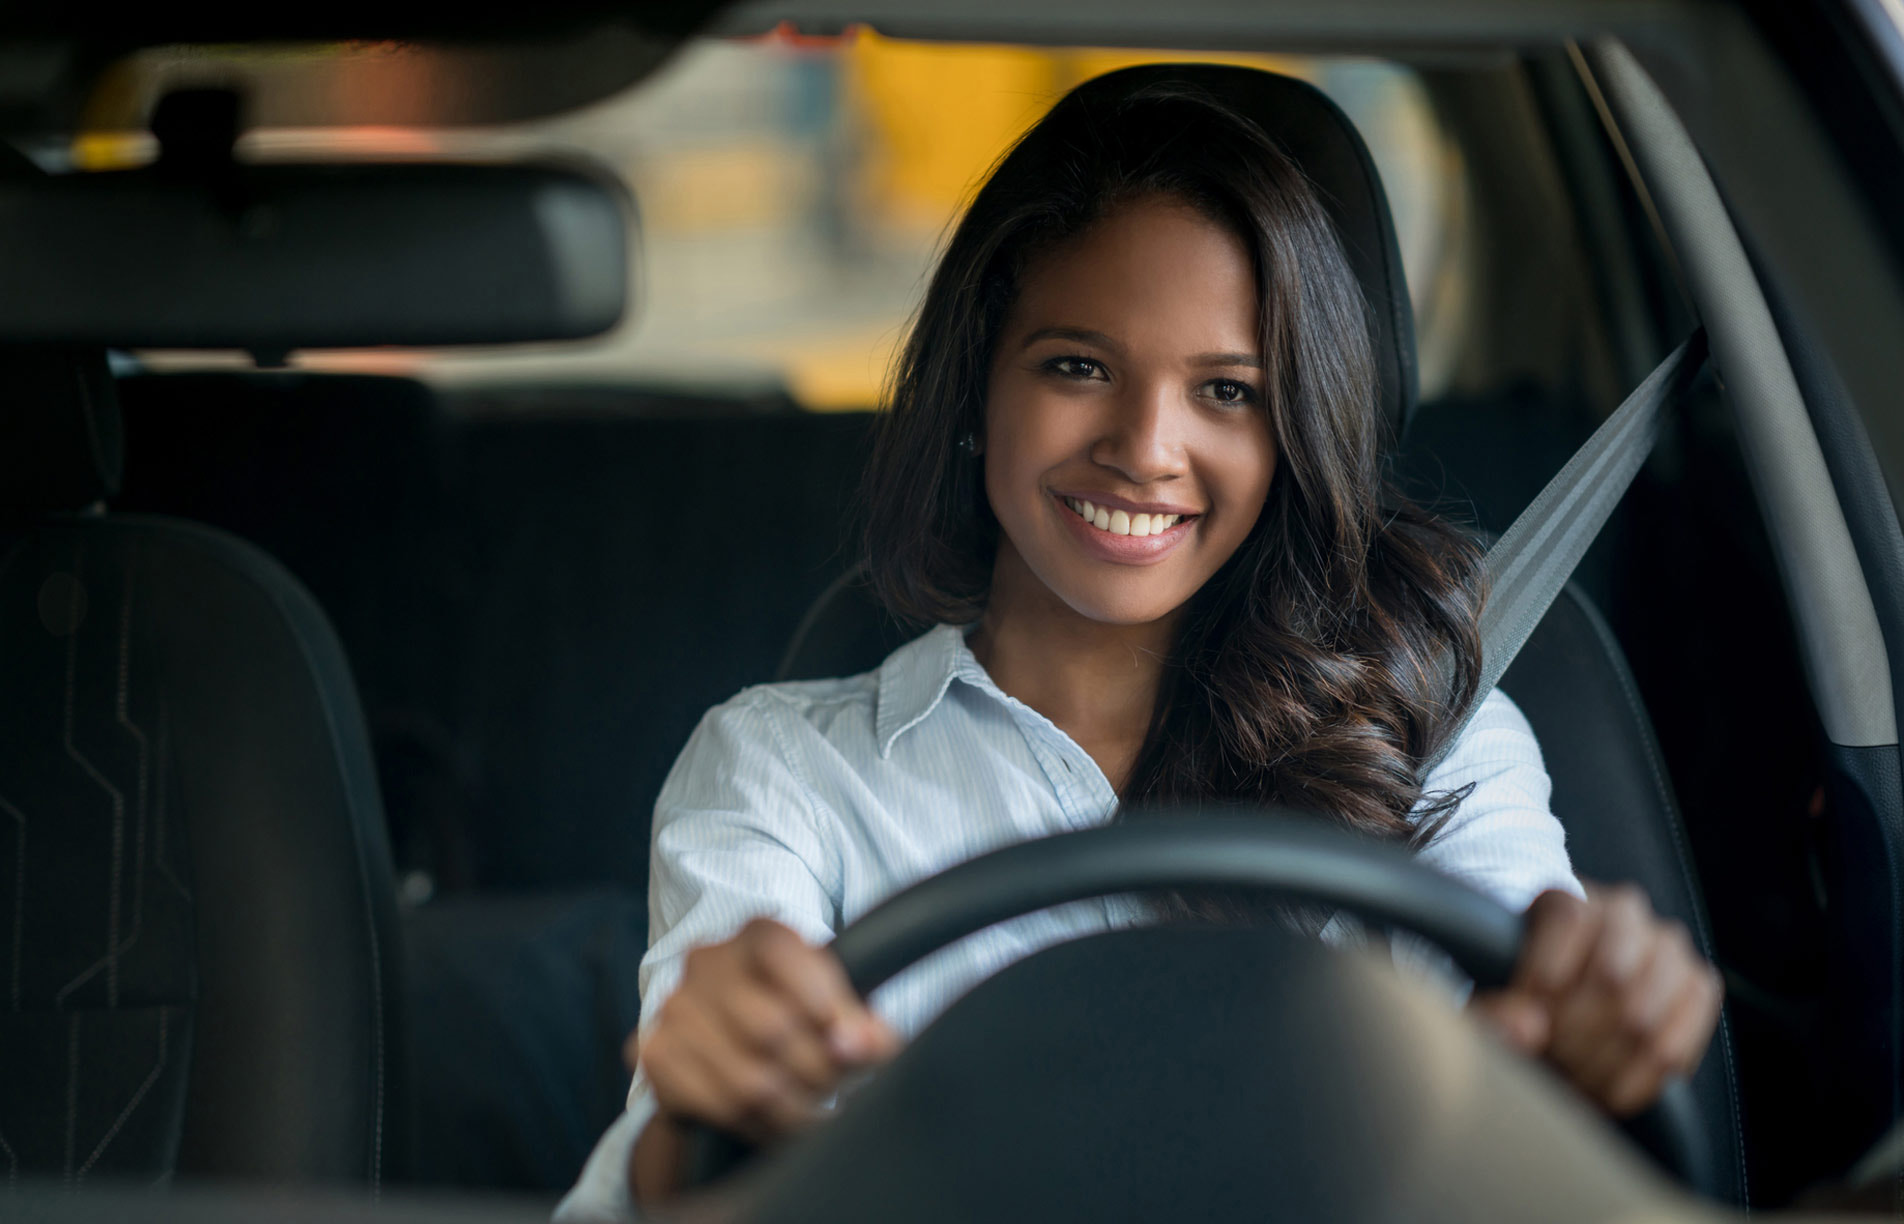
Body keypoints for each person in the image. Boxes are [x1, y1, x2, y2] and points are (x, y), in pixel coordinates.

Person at [557, 66, 1723, 1219]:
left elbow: (1510, 1088)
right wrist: (700, 1109)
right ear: (975, 389)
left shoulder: (1439, 735)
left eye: (1226, 392)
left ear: (1294, 435)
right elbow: (676, 1180)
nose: (1145, 446)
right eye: (1077, 367)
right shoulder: (782, 773)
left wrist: (1583, 1031)